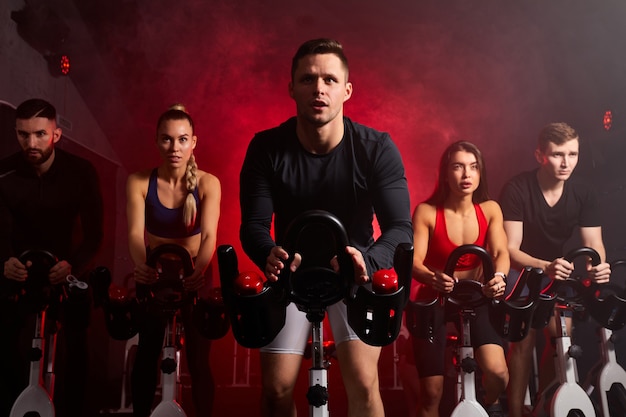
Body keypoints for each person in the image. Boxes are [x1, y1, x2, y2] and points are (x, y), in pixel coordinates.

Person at [239, 38, 413, 417]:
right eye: (308, 79)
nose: (319, 88)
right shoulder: (266, 147)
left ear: (346, 90)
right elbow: (253, 225)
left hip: (355, 270)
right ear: (292, 87)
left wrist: (367, 259)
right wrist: (267, 253)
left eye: (330, 80)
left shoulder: (376, 148)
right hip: (292, 272)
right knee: (276, 389)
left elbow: (400, 228)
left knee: (364, 385)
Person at [0, 98, 104, 417]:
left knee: (76, 348)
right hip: (18, 272)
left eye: (40, 134)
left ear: (56, 134)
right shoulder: (4, 172)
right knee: (5, 346)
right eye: (23, 134)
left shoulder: (82, 172)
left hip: (67, 271)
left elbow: (95, 234)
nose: (31, 143)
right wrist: (4, 260)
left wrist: (74, 264)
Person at [500, 122, 611, 417]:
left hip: (557, 271)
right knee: (522, 341)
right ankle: (514, 411)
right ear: (540, 155)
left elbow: (594, 245)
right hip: (523, 269)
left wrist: (597, 266)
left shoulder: (583, 192)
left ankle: (543, 406)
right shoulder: (517, 188)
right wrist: (544, 266)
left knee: (561, 338)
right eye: (558, 154)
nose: (566, 163)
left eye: (573, 154)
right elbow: (510, 251)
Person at [126, 104, 221, 417]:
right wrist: (143, 267)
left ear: (193, 142)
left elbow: (209, 237)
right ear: (156, 141)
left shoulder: (208, 183)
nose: (174, 147)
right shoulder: (139, 182)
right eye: (167, 139)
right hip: (156, 270)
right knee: (147, 352)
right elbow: (135, 233)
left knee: (198, 358)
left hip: (198, 268)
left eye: (182, 139)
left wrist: (200, 270)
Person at [410, 140, 509, 417]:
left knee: (499, 374)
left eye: (473, 167)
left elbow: (501, 251)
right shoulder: (427, 212)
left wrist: (499, 276)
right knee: (431, 394)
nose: (466, 175)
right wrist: (432, 278)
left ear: (480, 173)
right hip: (435, 299)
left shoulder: (490, 209)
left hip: (475, 297)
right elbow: (413, 263)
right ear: (445, 173)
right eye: (458, 167)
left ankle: (488, 405)